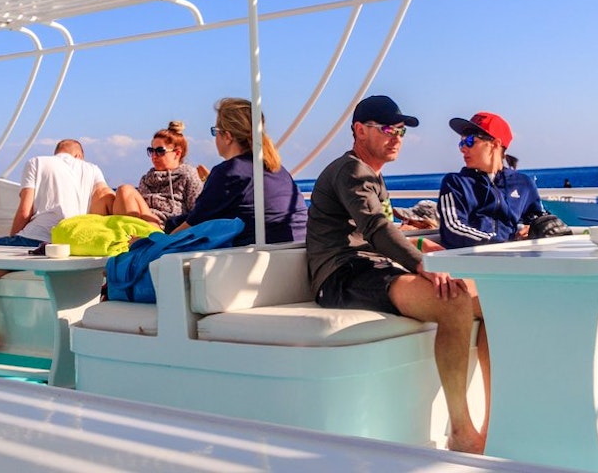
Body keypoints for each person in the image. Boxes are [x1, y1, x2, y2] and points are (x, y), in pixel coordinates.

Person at [306, 94, 486, 454]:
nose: (397, 137)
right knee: (453, 302)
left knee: (488, 301)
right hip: (342, 275)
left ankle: (495, 417)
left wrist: (422, 249)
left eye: (401, 130)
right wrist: (421, 264)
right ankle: (462, 431)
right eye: (388, 129)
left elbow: (382, 229)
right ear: (359, 130)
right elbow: (374, 227)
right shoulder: (352, 171)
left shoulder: (370, 174)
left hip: (371, 268)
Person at [0, 139, 113, 353]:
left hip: (34, 240)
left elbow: (25, 211)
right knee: (25, 253)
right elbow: (106, 200)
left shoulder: (37, 162)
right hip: (68, 245)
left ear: (57, 152)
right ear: (79, 155)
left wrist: (11, 248)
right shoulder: (92, 169)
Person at [171, 98, 307, 246]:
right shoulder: (278, 169)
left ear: (228, 137)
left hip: (258, 259)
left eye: (215, 131)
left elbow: (188, 230)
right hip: (298, 250)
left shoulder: (229, 172)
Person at [439, 112, 547, 248]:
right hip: (471, 263)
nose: (463, 148)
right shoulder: (455, 183)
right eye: (462, 142)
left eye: (470, 141)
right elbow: (453, 229)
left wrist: (533, 229)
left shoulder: (523, 183)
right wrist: (502, 245)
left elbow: (539, 220)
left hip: (515, 261)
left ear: (495, 144)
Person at [110, 121, 203, 228]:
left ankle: (132, 238)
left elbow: (198, 214)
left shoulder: (188, 176)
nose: (154, 156)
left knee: (125, 189)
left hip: (165, 228)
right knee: (108, 193)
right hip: (143, 223)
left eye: (160, 151)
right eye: (151, 151)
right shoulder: (146, 180)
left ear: (177, 153)